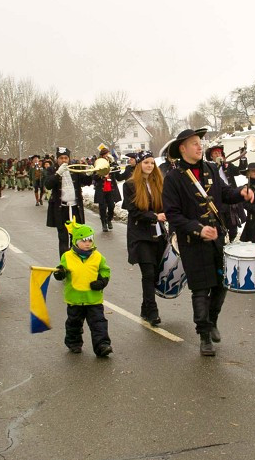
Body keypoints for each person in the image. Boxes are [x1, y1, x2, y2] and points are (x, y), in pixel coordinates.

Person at [162, 128, 255, 356]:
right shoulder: (174, 177)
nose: (199, 146)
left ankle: (212, 321)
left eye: (199, 142)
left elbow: (225, 194)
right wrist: (198, 229)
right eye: (194, 143)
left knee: (222, 284)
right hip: (192, 241)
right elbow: (172, 214)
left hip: (217, 239)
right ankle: (204, 336)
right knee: (201, 289)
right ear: (182, 148)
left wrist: (242, 192)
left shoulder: (211, 168)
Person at [52, 221, 113, 357]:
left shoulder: (98, 257)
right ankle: (74, 343)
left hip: (93, 298)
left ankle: (102, 345)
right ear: (75, 241)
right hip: (75, 298)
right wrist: (60, 273)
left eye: (90, 240)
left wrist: (102, 281)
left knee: (98, 323)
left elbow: (105, 271)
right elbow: (61, 271)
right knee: (74, 323)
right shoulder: (67, 256)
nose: (87, 244)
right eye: (83, 241)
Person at [122, 150, 167, 326]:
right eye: (146, 162)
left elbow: (166, 205)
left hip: (158, 234)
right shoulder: (130, 185)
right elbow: (134, 211)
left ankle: (145, 307)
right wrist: (154, 216)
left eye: (151, 162)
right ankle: (153, 312)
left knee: (155, 274)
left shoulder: (158, 183)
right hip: (140, 235)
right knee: (148, 273)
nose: (149, 166)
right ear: (139, 165)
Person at [44, 146, 92, 256]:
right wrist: (58, 174)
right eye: (61, 158)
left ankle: (77, 261)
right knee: (63, 238)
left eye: (66, 158)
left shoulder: (75, 168)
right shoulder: (51, 169)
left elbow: (86, 182)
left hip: (75, 208)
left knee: (77, 237)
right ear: (57, 159)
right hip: (61, 209)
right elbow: (48, 184)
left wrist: (89, 174)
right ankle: (64, 264)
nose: (64, 160)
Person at [206, 142, 247, 242]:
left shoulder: (227, 165)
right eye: (215, 153)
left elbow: (240, 170)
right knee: (220, 226)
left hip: (230, 199)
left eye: (219, 153)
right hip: (218, 201)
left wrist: (242, 157)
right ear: (211, 156)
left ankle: (232, 241)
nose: (218, 155)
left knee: (233, 226)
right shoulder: (208, 168)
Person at [92, 157, 126, 233]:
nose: (106, 159)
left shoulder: (112, 166)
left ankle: (109, 219)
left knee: (111, 206)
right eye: (105, 157)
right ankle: (104, 223)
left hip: (111, 190)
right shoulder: (98, 166)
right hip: (101, 191)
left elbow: (118, 173)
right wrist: (100, 175)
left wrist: (114, 163)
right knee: (102, 208)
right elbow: (94, 177)